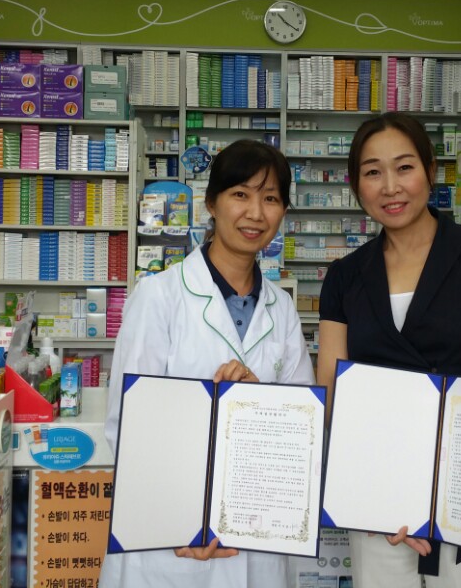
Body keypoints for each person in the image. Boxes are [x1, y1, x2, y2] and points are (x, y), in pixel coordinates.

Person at [317, 113, 461, 588]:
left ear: (431, 171)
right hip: (378, 488)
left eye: (404, 167)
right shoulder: (345, 277)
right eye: (373, 172)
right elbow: (331, 391)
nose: (390, 187)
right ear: (356, 185)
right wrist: (373, 484)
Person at [102, 139, 315, 588]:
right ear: (211, 204)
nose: (255, 213)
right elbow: (128, 424)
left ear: (283, 212)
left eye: (270, 198)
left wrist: (257, 399)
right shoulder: (160, 296)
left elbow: (301, 431)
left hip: (256, 531)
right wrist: (180, 519)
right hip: (171, 540)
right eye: (240, 194)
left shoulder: (281, 309)